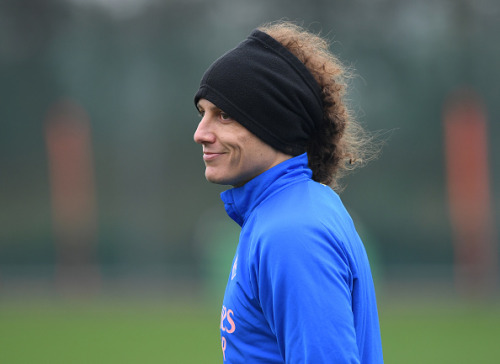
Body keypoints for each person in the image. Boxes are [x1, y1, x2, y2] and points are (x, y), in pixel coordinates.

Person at [193, 21, 383, 363]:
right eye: (202, 114)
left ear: (272, 121)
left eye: (222, 115)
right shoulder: (288, 212)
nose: (200, 133)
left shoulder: (292, 231)